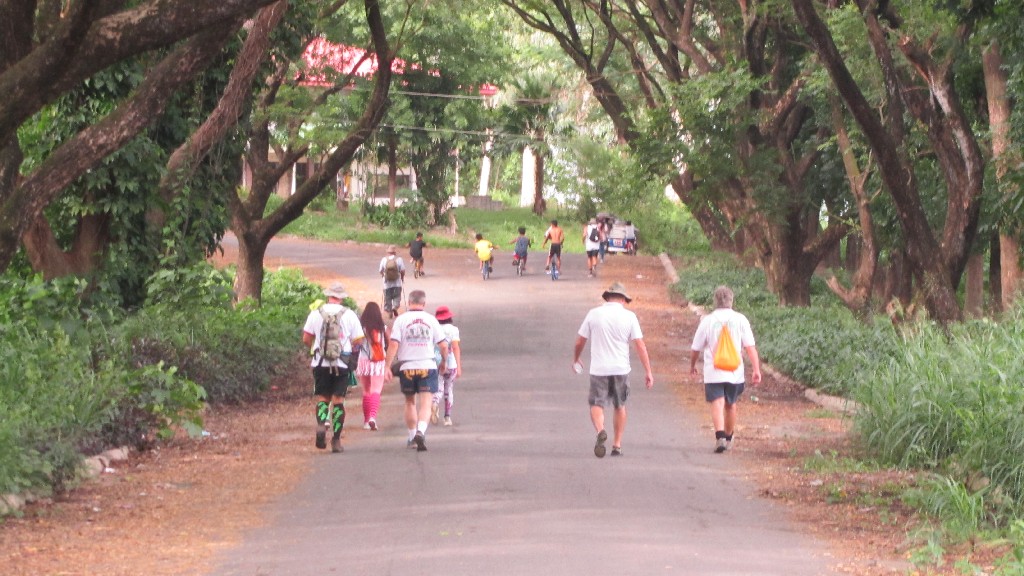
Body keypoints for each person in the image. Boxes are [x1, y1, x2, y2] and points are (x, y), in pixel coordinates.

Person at [573, 282, 654, 458]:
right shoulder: (630, 317)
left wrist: (576, 358)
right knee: (620, 405)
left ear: (607, 298)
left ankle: (600, 430)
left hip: (599, 369)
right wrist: (648, 370)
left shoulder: (594, 314)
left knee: (596, 404)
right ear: (623, 300)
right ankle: (617, 445)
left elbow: (580, 341)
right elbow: (640, 345)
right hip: (620, 368)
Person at [689, 285, 762, 453]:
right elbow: (750, 347)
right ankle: (729, 438)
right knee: (731, 404)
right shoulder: (740, 320)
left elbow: (696, 348)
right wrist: (756, 369)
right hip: (735, 372)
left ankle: (720, 436)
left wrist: (692, 365)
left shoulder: (707, 320)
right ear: (731, 300)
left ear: (715, 301)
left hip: (713, 371)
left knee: (717, 402)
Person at [301, 282, 365, 453]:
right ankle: (336, 440)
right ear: (342, 298)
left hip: (320, 363)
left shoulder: (316, 313)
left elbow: (306, 338)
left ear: (328, 296)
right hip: (341, 363)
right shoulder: (349, 314)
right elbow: (358, 340)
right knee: (338, 401)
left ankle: (322, 424)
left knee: (323, 397)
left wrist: (315, 349)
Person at [384, 289, 449, 451]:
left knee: (410, 402)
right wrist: (444, 362)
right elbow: (443, 345)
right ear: (424, 303)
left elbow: (394, 344)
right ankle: (421, 431)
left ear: (408, 302)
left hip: (407, 367)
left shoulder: (401, 320)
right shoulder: (431, 320)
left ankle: (412, 437)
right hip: (427, 366)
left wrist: (387, 366)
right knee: (426, 403)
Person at [356, 301, 389, 431]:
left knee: (366, 391)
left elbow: (356, 343)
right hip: (378, 361)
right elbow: (390, 342)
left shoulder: (361, 328)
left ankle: (366, 421)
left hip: (363, 361)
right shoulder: (382, 328)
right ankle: (372, 417)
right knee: (376, 390)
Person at [431, 305, 462, 427]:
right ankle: (447, 417)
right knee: (448, 389)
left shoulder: (433, 329)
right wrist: (458, 366)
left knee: (438, 387)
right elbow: (455, 347)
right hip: (451, 363)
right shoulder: (453, 330)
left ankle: (434, 403)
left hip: (436, 363)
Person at [379, 245, 406, 318]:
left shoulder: (384, 259)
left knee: (387, 298)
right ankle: (395, 307)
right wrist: (402, 278)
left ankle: (389, 311)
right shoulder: (399, 259)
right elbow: (402, 270)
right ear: (395, 252)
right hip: (397, 283)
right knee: (397, 297)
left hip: (387, 283)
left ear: (388, 252)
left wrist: (383, 275)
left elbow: (380, 270)